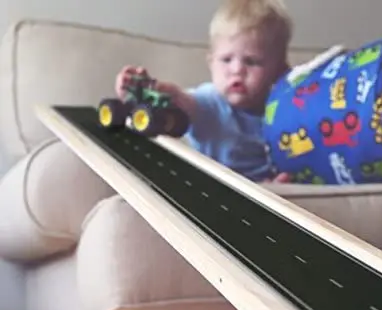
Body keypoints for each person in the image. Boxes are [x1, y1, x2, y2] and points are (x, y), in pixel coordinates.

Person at [115, 0, 293, 183]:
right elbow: (180, 100)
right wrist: (142, 90)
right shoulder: (209, 102)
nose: (237, 70)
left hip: (266, 191)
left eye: (252, 61)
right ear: (211, 63)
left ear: (280, 71)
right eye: (226, 59)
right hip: (212, 189)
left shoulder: (286, 110)